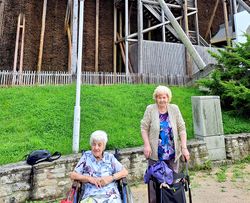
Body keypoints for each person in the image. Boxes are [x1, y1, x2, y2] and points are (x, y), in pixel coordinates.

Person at [140, 85, 190, 203]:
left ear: (168, 98)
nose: (162, 100)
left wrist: (184, 148)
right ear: (155, 98)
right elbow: (144, 128)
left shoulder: (174, 109)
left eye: (164, 97)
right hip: (155, 154)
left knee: (172, 181)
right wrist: (146, 145)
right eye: (159, 97)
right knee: (155, 183)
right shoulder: (150, 109)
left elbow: (182, 129)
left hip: (172, 153)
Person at [70, 130, 128, 203]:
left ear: (104, 146)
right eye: (94, 144)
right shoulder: (86, 157)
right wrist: (89, 178)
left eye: (99, 145)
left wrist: (110, 178)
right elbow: (73, 175)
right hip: (91, 195)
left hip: (111, 196)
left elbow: (125, 172)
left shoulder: (109, 157)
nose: (96, 148)